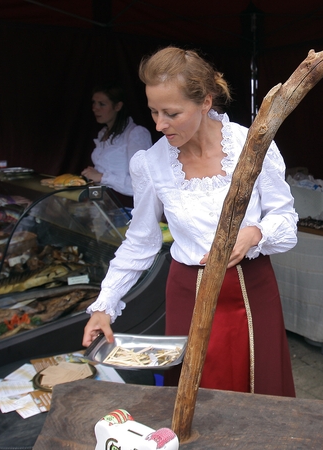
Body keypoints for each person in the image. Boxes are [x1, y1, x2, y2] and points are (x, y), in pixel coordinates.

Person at [82, 46, 298, 397]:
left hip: (250, 288)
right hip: (188, 293)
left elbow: (286, 220)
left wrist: (254, 233)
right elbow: (141, 241)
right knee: (194, 395)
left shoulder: (252, 144)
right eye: (153, 111)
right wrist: (105, 306)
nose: (159, 124)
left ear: (205, 102)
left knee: (261, 391)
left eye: (171, 113)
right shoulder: (151, 164)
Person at [81, 83, 152, 207]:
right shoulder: (103, 133)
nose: (95, 108)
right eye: (94, 103)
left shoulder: (136, 134)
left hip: (124, 206)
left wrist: (102, 177)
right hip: (101, 203)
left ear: (118, 106)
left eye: (101, 104)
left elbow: (143, 184)